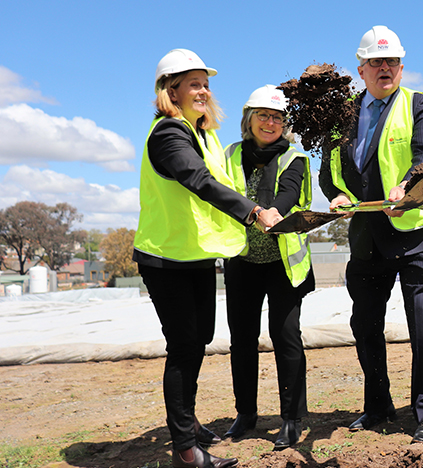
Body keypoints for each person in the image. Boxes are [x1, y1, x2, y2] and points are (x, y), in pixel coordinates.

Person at [133, 49, 281, 468]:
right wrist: (254, 213)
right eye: (193, 83)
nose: (203, 90)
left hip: (194, 255)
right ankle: (185, 449)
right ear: (170, 90)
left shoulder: (202, 134)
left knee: (196, 343)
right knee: (183, 347)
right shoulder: (168, 134)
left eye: (205, 83)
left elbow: (221, 181)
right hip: (165, 257)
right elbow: (197, 180)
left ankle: (188, 422)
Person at [318, 25, 423, 444]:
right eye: (376, 61)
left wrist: (408, 185)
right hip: (367, 238)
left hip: (417, 237)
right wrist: (337, 194)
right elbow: (329, 172)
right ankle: (377, 405)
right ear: (361, 69)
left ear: (402, 67)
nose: (384, 68)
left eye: (391, 61)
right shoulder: (341, 117)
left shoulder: (420, 104)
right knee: (365, 325)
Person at [221, 85, 315, 449]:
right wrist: (252, 212)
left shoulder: (295, 157)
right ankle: (245, 414)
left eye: (277, 117)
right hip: (242, 260)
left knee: (286, 337)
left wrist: (273, 209)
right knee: (242, 340)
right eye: (263, 115)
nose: (270, 122)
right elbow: (222, 190)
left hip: (282, 264)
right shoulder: (229, 155)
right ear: (249, 119)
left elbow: (291, 190)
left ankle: (291, 418)